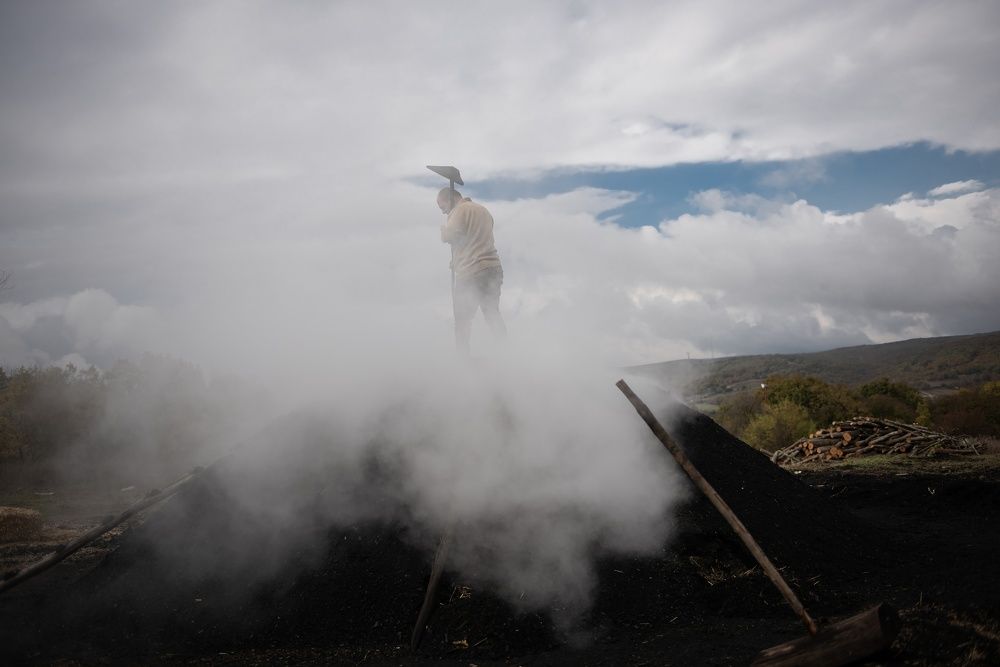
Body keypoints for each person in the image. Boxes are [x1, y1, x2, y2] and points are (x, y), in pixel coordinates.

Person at [438, 187, 506, 354]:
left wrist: (444, 231)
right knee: (492, 313)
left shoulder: (458, 211)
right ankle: (506, 352)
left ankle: (463, 361)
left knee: (462, 319)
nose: (443, 212)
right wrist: (456, 260)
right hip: (493, 268)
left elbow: (451, 236)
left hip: (471, 272)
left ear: (451, 200)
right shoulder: (483, 211)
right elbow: (472, 239)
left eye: (443, 207)